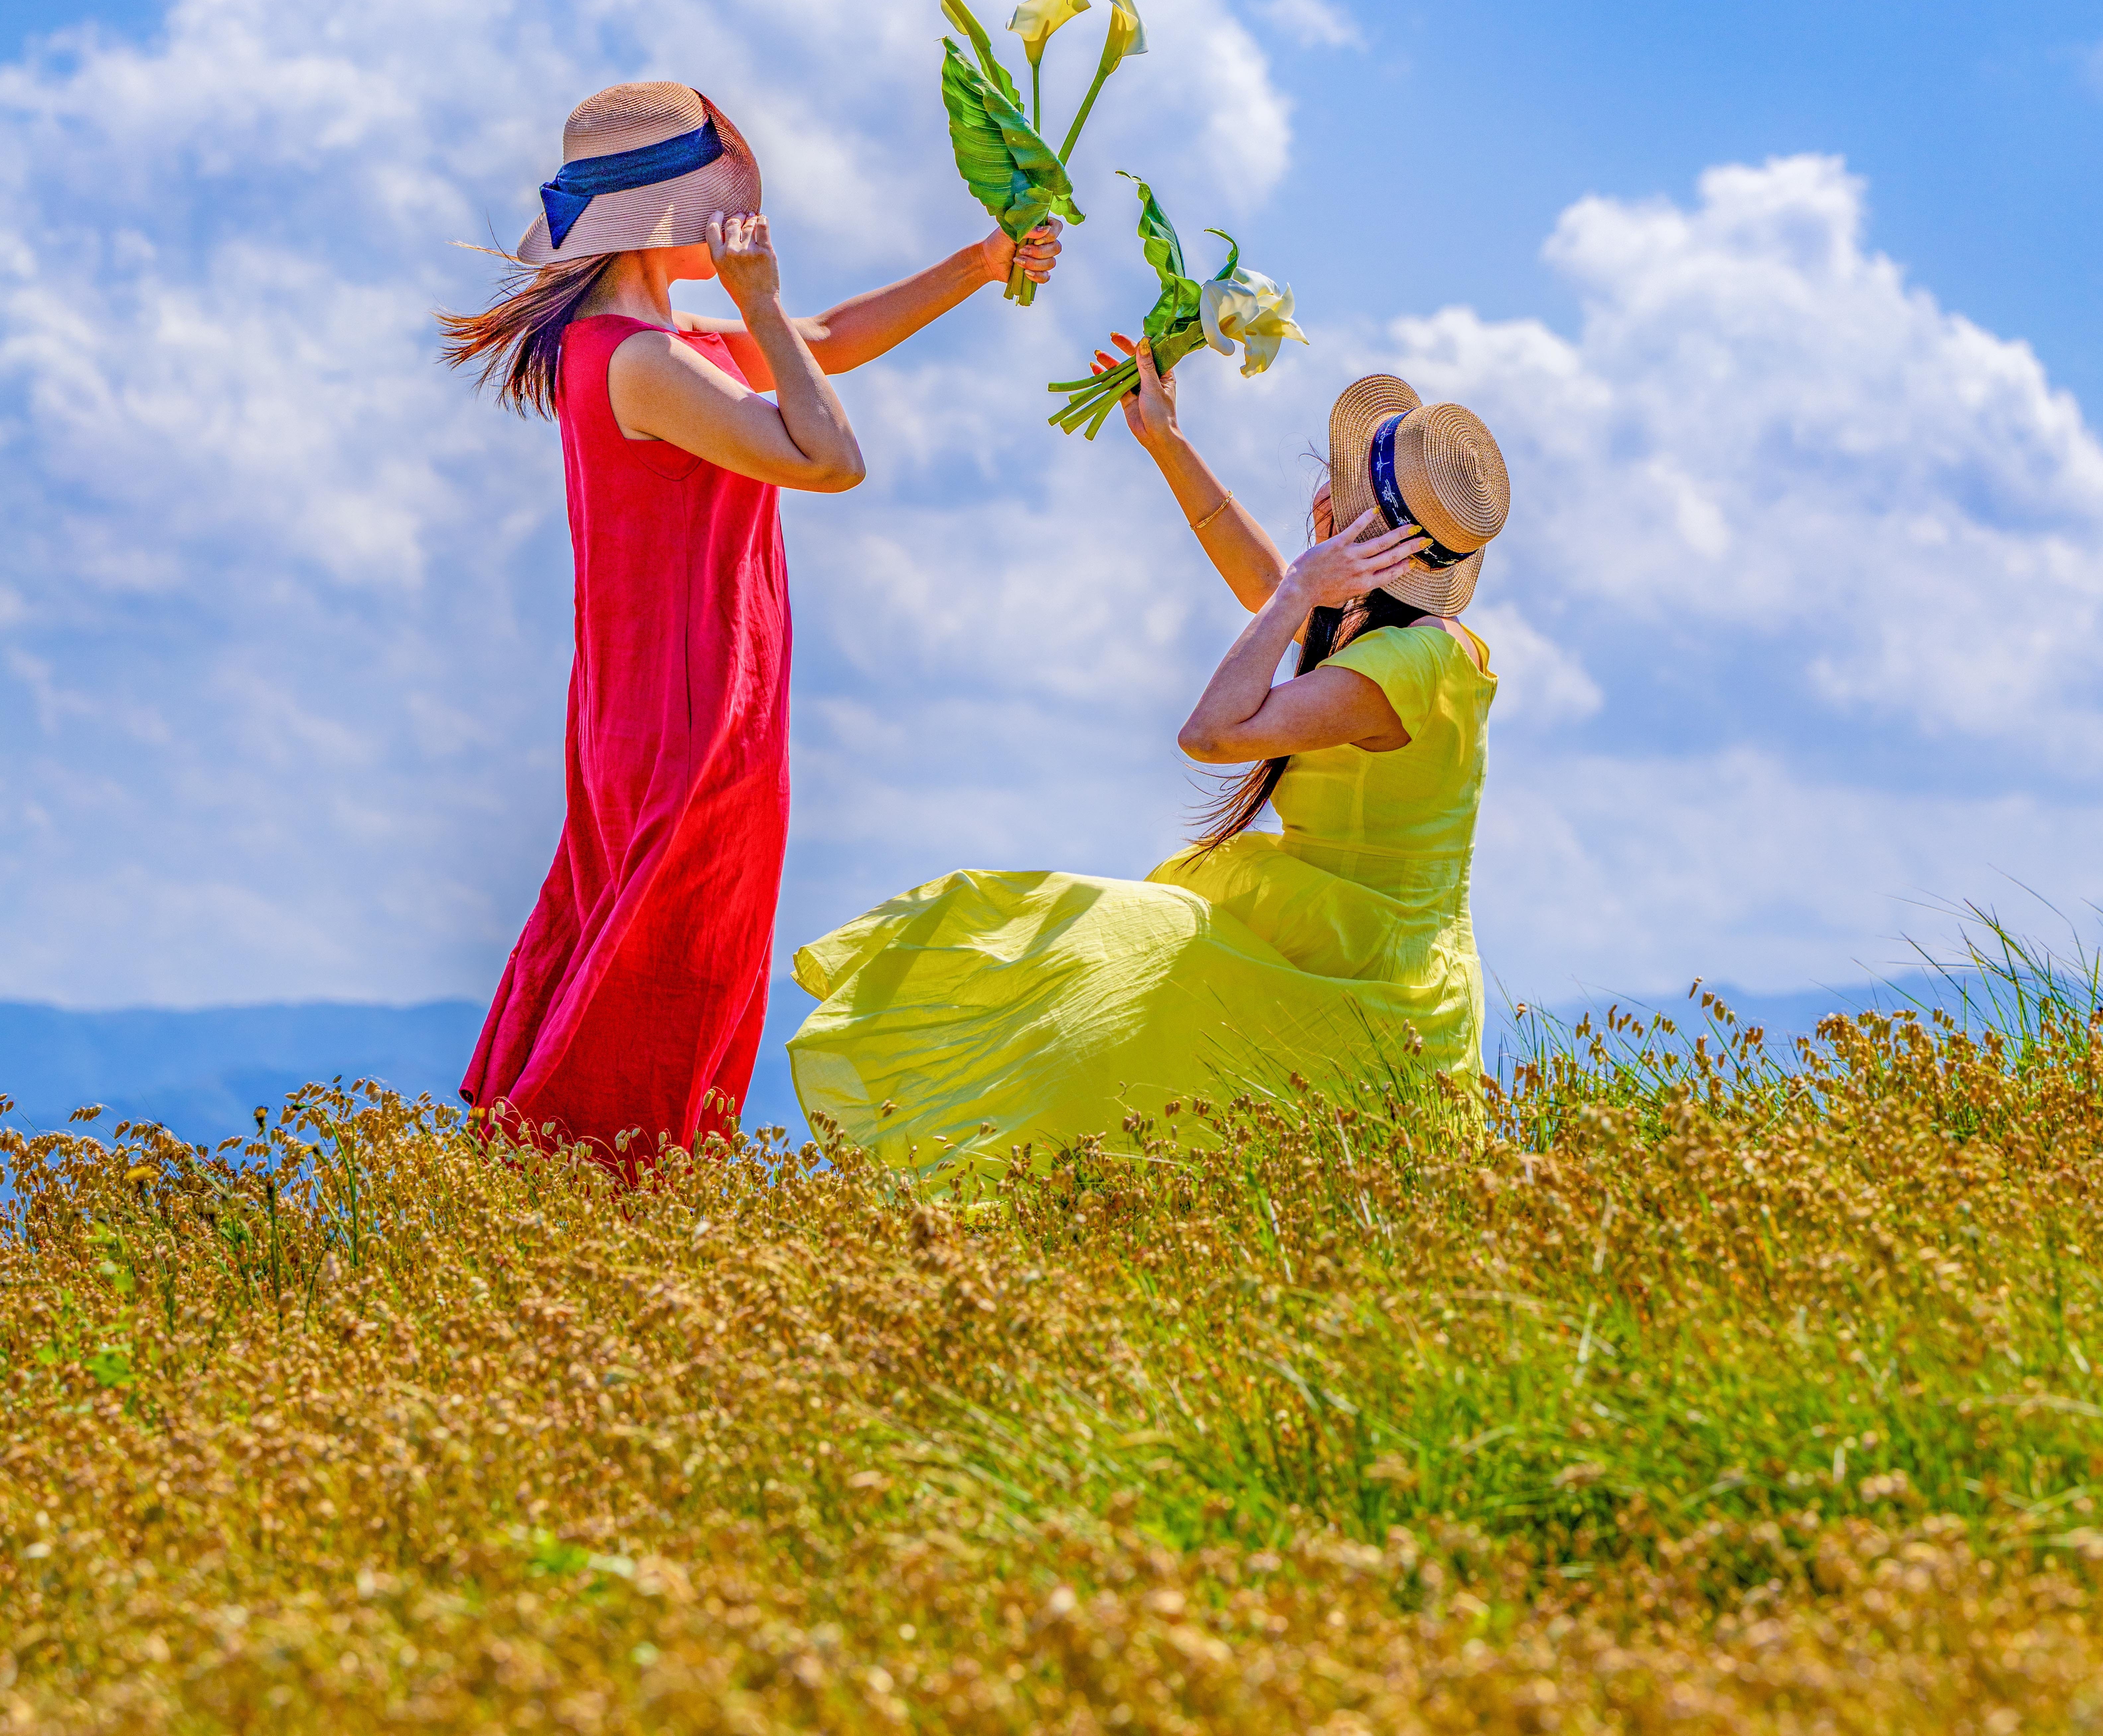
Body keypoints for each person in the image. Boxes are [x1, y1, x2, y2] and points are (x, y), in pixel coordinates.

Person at [438, 77, 1062, 1168]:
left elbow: (822, 340)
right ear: (675, 215)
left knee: (653, 961)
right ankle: (603, 1212)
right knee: (668, 984)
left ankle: (576, 1211)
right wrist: (762, 302)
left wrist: (980, 263)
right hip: (689, 722)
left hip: (657, 716)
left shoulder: (651, 340)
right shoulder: (641, 362)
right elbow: (832, 457)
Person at [787, 355, 1510, 1174]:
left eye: (1343, 489)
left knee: (1105, 978)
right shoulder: (1373, 635)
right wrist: (1165, 439)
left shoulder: (1408, 666)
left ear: (1379, 541)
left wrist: (1297, 594)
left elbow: (1213, 732)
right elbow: (1264, 578)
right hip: (1340, 941)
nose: (1321, 493)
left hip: (1372, 979)